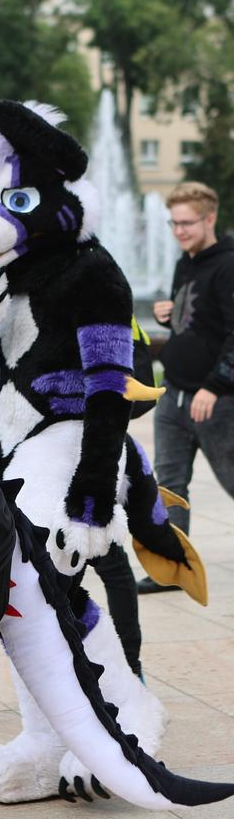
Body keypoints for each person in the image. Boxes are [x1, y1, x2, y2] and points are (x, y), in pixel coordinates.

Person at [138, 182, 234, 595]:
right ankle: (175, 567)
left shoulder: (228, 264)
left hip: (214, 401)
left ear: (209, 218)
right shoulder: (186, 262)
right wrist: (168, 311)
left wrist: (215, 386)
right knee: (169, 486)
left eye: (187, 223)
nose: (178, 231)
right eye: (173, 223)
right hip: (174, 397)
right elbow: (195, 320)